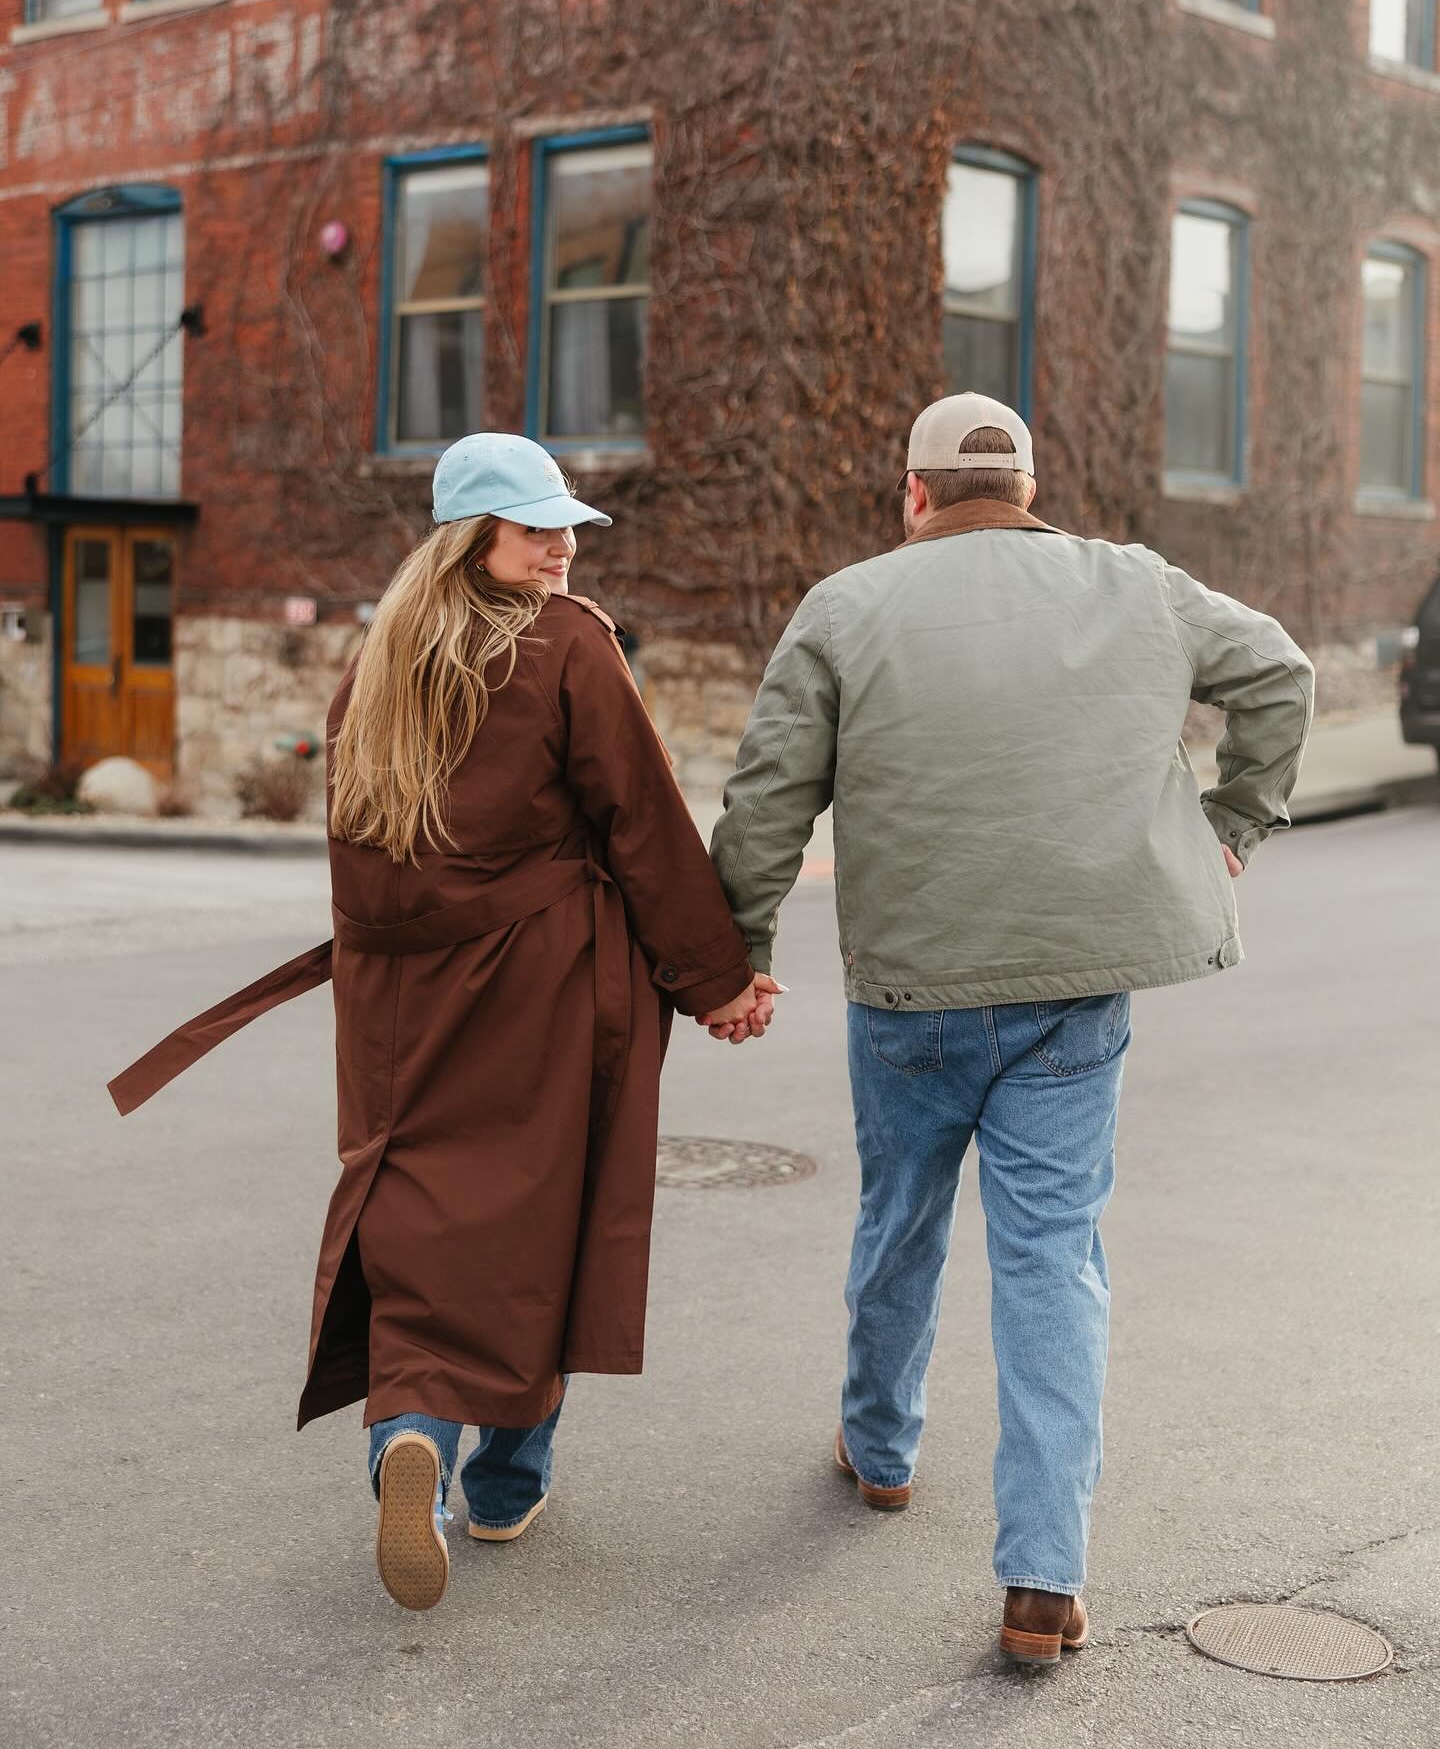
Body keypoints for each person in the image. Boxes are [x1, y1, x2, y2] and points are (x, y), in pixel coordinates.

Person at [110, 433, 779, 1612]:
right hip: (549, 989)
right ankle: (507, 1482)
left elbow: (360, 866)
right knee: (546, 1220)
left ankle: (409, 1432)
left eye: (569, 527)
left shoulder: (374, 668)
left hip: (399, 1005)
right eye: (537, 530)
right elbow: (644, 825)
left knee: (418, 1215)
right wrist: (715, 980)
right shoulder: (570, 648)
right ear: (477, 538)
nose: (564, 549)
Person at [709, 392, 1314, 1662]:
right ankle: (1043, 1577)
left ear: (913, 493)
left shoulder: (848, 607)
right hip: (1075, 991)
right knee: (1053, 1262)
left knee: (901, 1217)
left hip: (912, 992)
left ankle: (881, 1449)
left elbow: (767, 799)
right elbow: (1281, 676)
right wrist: (1235, 825)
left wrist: (740, 954)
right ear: (1030, 491)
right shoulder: (1137, 584)